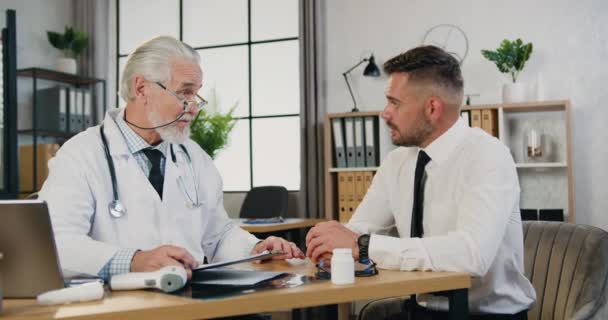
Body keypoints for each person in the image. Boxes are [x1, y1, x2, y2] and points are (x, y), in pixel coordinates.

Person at [38, 36, 303, 281]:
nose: (194, 107)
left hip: (190, 298)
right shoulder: (81, 155)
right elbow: (55, 242)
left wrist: (256, 248)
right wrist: (134, 260)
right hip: (116, 304)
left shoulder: (194, 157)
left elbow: (218, 235)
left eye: (197, 94)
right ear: (141, 88)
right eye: (185, 92)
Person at [305, 46, 536, 319]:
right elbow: (358, 231)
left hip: (486, 316)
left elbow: (471, 255)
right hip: (419, 312)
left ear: (432, 108)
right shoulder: (397, 162)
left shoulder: (488, 156)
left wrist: (363, 245)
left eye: (395, 103)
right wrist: (327, 242)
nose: (385, 113)